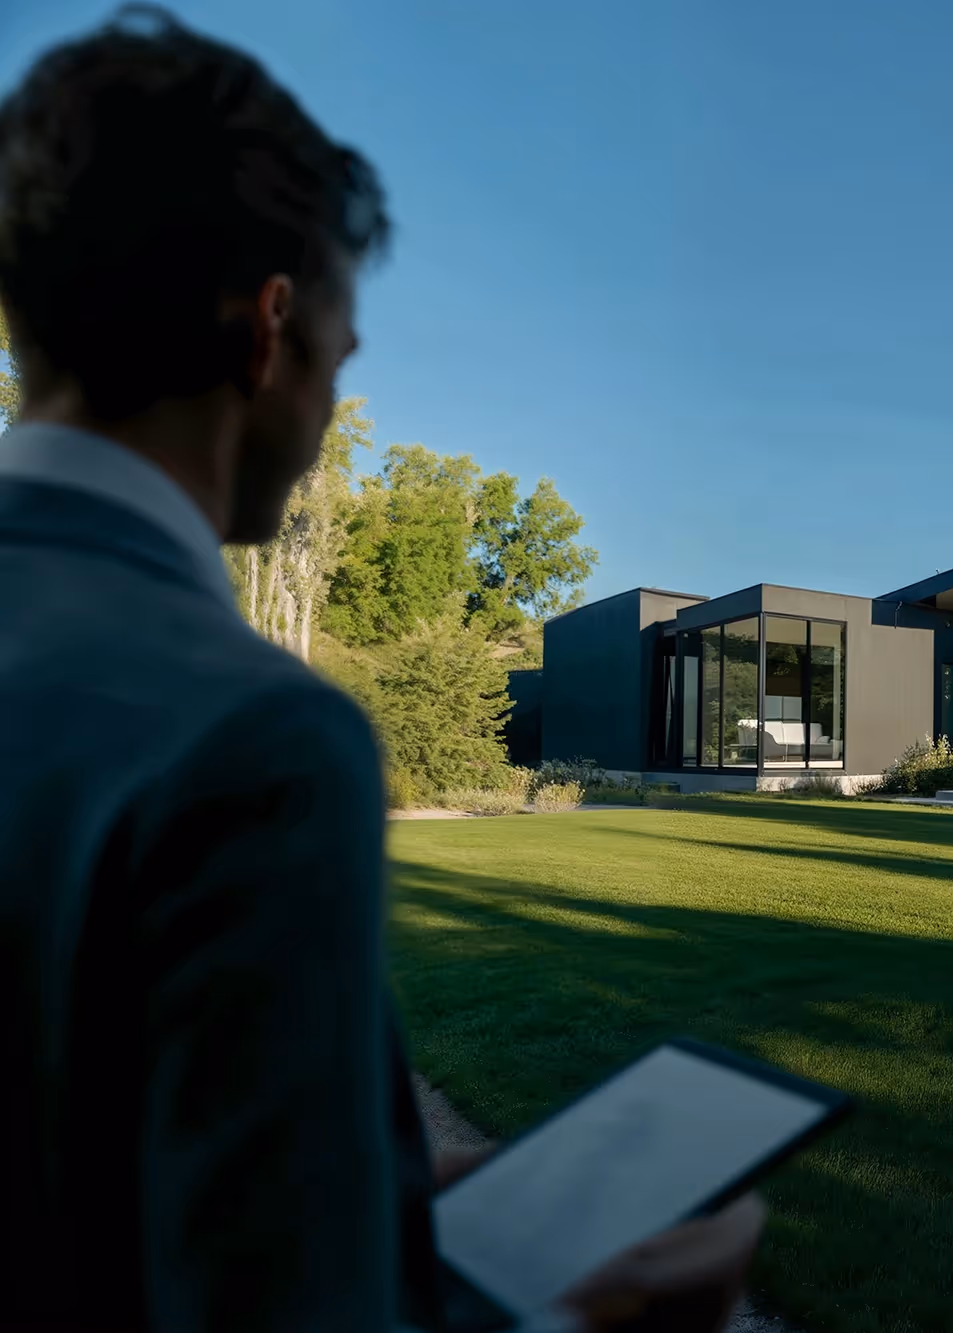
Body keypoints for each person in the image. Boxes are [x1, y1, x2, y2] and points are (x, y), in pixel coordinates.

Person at [0, 7, 762, 1329]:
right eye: (342, 358)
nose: (334, 400)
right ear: (270, 332)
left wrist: (370, 1191)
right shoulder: (248, 739)